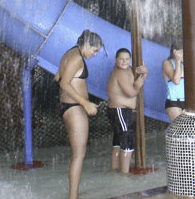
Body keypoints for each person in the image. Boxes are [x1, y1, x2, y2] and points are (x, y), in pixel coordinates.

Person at [55, 30, 103, 199]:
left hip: (69, 105)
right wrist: (84, 102)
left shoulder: (70, 53)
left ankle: (74, 194)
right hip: (74, 107)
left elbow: (57, 77)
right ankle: (73, 197)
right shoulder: (76, 58)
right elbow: (64, 83)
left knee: (78, 153)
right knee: (79, 154)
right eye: (94, 50)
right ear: (87, 45)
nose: (95, 54)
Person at [106, 48, 148, 174]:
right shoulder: (120, 73)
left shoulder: (128, 69)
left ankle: (114, 171)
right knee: (127, 140)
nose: (124, 62)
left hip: (119, 111)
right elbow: (131, 93)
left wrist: (144, 73)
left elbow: (135, 82)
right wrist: (139, 84)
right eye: (121, 59)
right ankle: (124, 174)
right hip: (120, 110)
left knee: (118, 142)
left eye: (127, 59)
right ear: (115, 60)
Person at [162, 41, 185, 121]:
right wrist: (178, 61)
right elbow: (176, 80)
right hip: (174, 102)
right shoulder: (167, 63)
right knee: (179, 129)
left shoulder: (186, 63)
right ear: (175, 52)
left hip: (187, 100)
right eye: (182, 52)